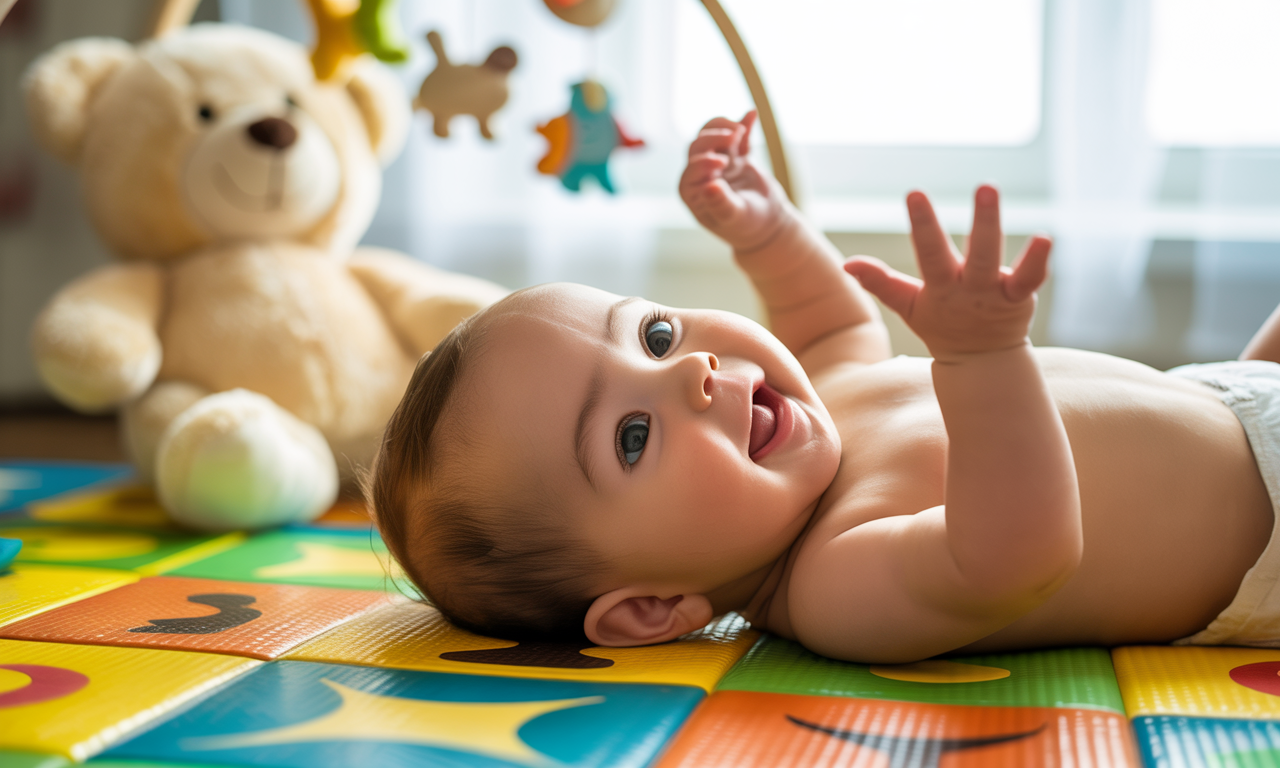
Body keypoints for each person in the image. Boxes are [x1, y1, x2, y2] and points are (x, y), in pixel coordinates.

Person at [366, 113, 1280, 663]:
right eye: (631, 437)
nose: (690, 370)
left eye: (654, 334)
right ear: (651, 606)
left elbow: (829, 321)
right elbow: (1020, 553)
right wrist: (984, 363)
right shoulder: (836, 585)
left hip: (1233, 390)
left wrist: (765, 234)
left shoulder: (819, 401)